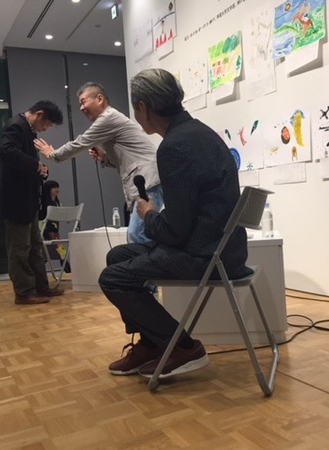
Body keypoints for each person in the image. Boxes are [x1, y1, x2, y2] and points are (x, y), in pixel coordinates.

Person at [99, 68, 251, 379]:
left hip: (205, 256)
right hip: (227, 250)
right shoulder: (200, 133)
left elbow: (174, 230)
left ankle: (182, 347)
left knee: (113, 278)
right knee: (117, 256)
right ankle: (152, 344)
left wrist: (149, 214)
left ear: (143, 108)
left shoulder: (173, 147)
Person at [34, 82, 163, 244]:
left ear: (100, 99)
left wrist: (52, 154)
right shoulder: (111, 118)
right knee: (139, 236)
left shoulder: (108, 118)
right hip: (147, 180)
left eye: (83, 102)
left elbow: (81, 142)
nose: (81, 108)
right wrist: (105, 158)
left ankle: (156, 261)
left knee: (138, 236)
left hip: (147, 181)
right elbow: (128, 158)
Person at [0, 100, 66, 305]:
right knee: (20, 248)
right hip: (15, 201)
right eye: (47, 124)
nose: (46, 129)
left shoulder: (28, 130)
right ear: (39, 114)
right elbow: (6, 151)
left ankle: (40, 286)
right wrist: (35, 165)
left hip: (27, 200)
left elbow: (25, 163)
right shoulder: (16, 125)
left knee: (35, 246)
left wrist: (41, 169)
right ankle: (24, 292)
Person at [39, 180, 71, 273]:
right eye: (54, 188)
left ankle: (39, 271)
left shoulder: (57, 203)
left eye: (58, 187)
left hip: (55, 232)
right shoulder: (44, 204)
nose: (57, 190)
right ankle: (69, 272)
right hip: (47, 231)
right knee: (61, 253)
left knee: (47, 254)